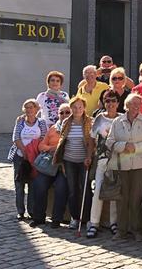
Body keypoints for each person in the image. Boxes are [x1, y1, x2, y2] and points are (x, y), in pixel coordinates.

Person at [106, 93, 142, 242]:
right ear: (126, 105)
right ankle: (121, 230)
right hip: (121, 165)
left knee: (135, 198)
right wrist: (123, 146)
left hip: (141, 165)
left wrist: (135, 147)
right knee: (122, 198)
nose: (136, 107)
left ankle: (136, 230)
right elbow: (110, 142)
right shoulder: (117, 121)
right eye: (133, 104)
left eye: (139, 104)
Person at [54, 98, 94, 231]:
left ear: (84, 108)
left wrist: (89, 157)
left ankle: (87, 218)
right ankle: (75, 217)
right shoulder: (66, 122)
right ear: (71, 108)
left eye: (80, 107)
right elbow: (62, 141)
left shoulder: (89, 122)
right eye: (75, 107)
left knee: (85, 190)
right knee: (72, 190)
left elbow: (90, 142)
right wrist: (62, 162)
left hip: (84, 160)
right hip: (69, 159)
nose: (77, 110)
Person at [86, 90, 121, 238]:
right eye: (107, 101)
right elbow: (91, 140)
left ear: (118, 103)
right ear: (104, 103)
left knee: (114, 192)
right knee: (98, 191)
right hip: (101, 159)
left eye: (113, 101)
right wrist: (89, 156)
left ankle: (114, 222)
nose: (110, 104)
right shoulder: (99, 118)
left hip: (118, 160)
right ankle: (94, 223)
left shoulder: (122, 118)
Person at [30, 105, 71, 228]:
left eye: (67, 112)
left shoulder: (74, 129)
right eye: (61, 113)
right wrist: (52, 148)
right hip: (50, 164)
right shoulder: (53, 128)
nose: (64, 115)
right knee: (39, 184)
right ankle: (38, 217)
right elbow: (41, 146)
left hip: (64, 165)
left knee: (61, 188)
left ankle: (56, 219)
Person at [7, 99, 47, 221]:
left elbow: (43, 137)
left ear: (36, 109)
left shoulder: (41, 123)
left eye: (32, 107)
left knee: (32, 185)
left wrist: (32, 151)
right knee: (19, 184)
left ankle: (31, 211)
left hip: (34, 157)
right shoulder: (20, 122)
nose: (29, 110)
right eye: (27, 108)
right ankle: (20, 211)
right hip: (20, 157)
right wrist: (25, 151)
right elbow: (16, 138)